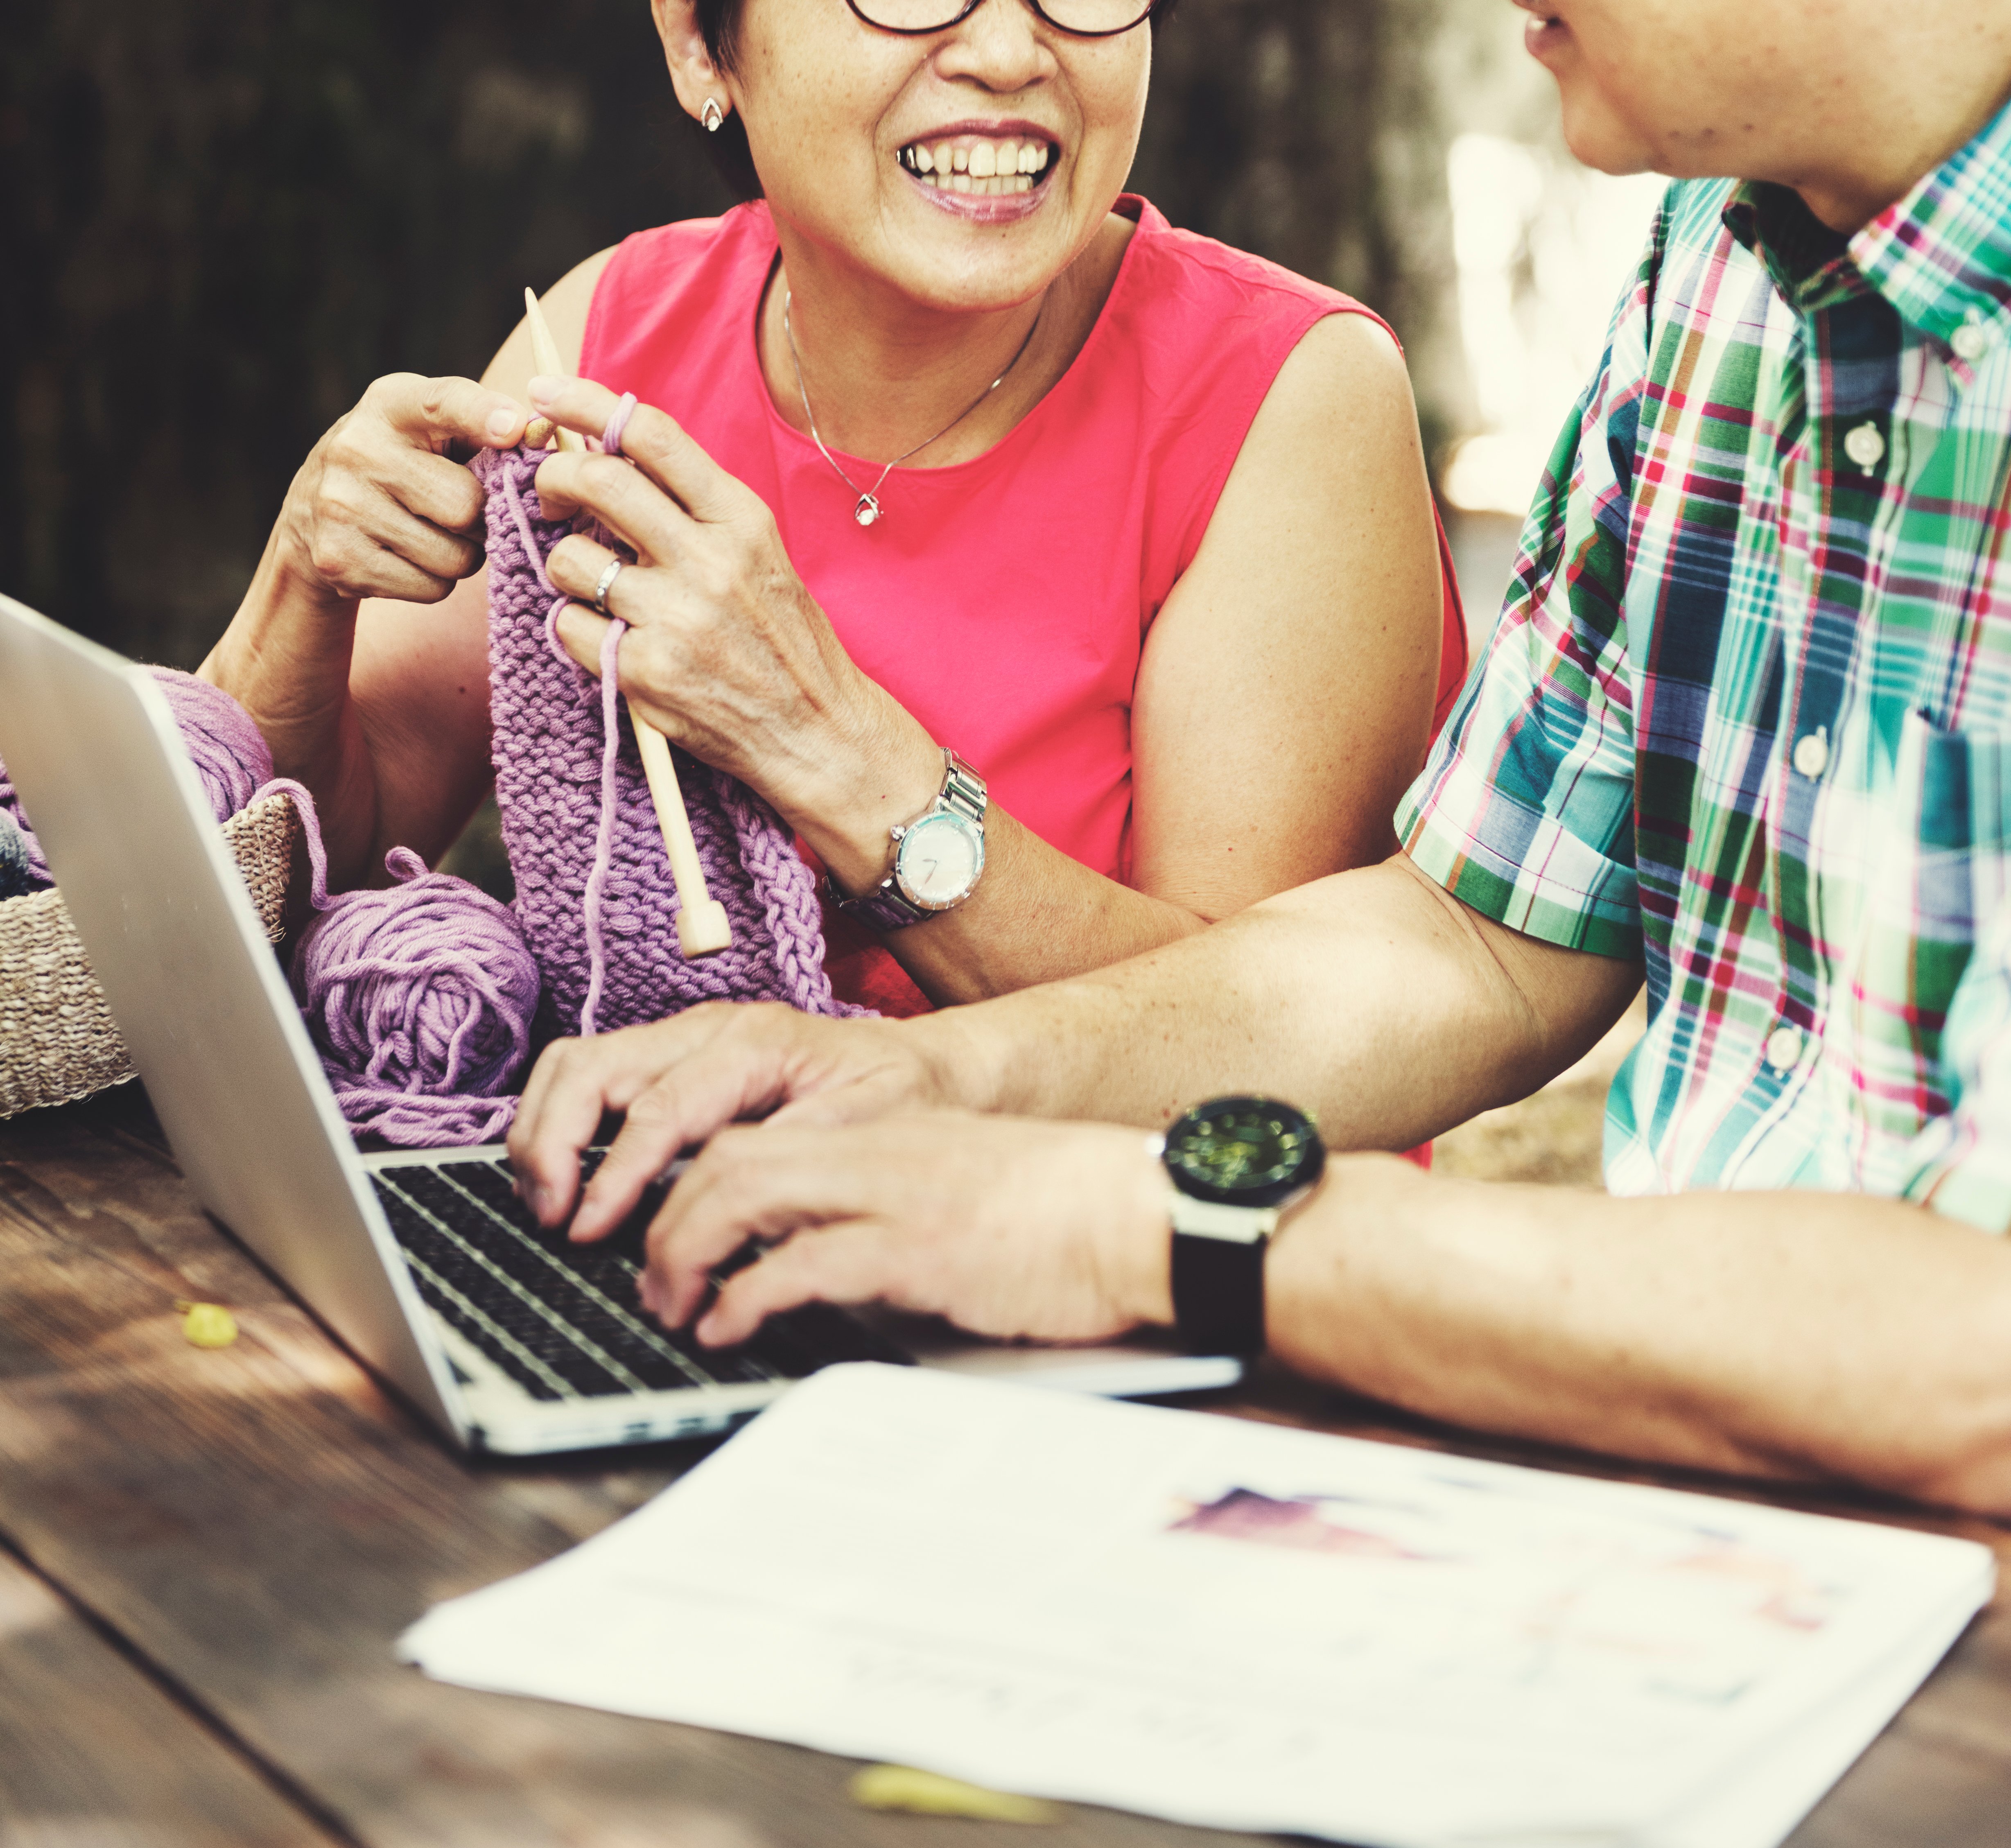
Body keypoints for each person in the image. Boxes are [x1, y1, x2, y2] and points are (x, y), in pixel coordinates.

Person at [506, 0, 2011, 1518]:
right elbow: (1474, 942)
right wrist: (919, 1075)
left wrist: (1142, 1219)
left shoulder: (1273, 374)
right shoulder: (1723, 265)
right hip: (1709, 1510)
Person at [199, 0, 1465, 1020]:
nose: (1013, 49)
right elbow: (313, 871)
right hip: (671, 1242)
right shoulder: (607, 340)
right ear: (703, 41)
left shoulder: (1285, 398)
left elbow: (1270, 1061)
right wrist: (302, 583)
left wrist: (838, 754)